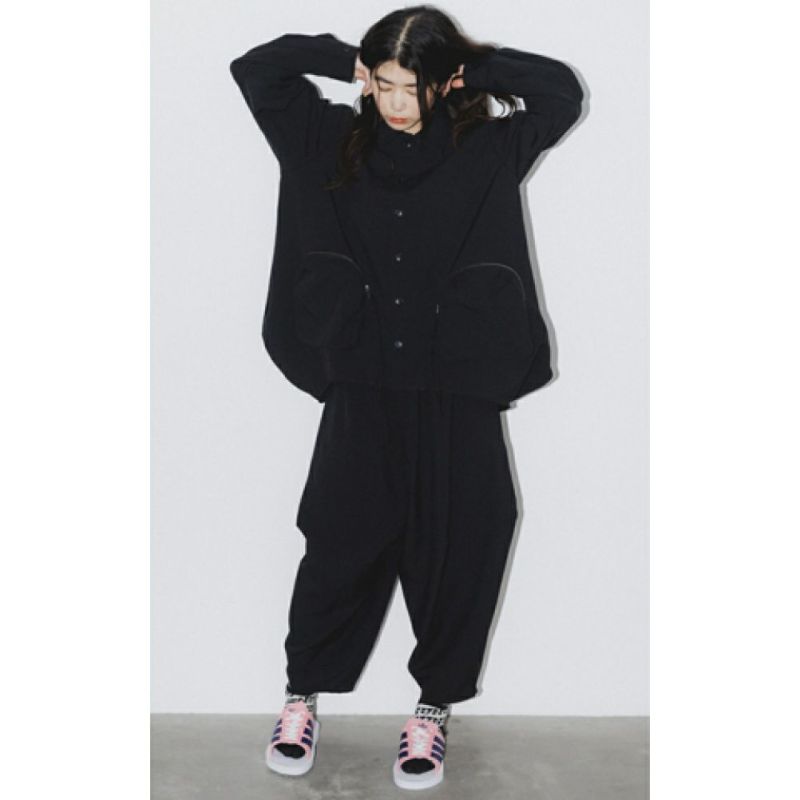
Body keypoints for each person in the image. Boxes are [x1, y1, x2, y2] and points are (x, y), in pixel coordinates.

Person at [229, 4, 583, 790]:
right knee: (337, 542)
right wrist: (344, 57)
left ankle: (431, 710)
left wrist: (464, 66)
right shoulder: (323, 139)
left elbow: (559, 93)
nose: (395, 102)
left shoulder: (488, 146)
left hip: (459, 381)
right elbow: (256, 70)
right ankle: (300, 697)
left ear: (442, 82)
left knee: (466, 543)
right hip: (361, 380)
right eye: (383, 84)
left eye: (411, 85)